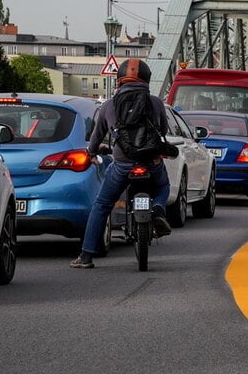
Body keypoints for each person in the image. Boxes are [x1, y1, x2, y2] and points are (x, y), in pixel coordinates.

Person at [70, 58, 172, 269]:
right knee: (163, 185)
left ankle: (86, 256)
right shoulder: (155, 102)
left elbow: (97, 137)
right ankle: (159, 209)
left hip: (123, 163)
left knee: (102, 205)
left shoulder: (109, 105)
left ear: (119, 80)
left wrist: (91, 153)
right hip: (150, 160)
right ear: (147, 80)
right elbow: (162, 130)